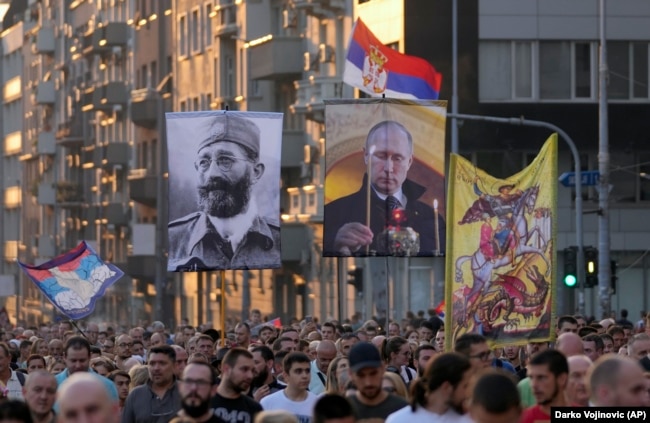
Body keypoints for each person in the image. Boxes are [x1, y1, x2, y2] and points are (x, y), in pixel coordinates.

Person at [168, 113, 281, 271]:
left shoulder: (278, 240)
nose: (212, 173)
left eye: (225, 160)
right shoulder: (173, 239)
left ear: (255, 172)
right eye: (204, 162)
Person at [323, 120, 445, 257]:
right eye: (381, 156)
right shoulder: (333, 214)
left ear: (409, 162)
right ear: (366, 156)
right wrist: (332, 243)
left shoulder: (431, 219)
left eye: (397, 158)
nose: (388, 168)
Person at [385, 352, 472, 423]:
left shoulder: (469, 419)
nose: (468, 392)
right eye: (465, 386)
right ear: (446, 387)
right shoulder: (400, 420)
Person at [346, 342, 408, 423]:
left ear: (382, 369)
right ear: (350, 374)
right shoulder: (342, 411)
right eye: (361, 375)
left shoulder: (402, 409)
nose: (368, 382)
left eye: (373, 373)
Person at [121, 345, 182, 423]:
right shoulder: (135, 396)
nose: (156, 368)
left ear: (174, 366)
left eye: (162, 363)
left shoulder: (186, 392)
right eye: (152, 363)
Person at [54, 336, 118, 402]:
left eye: (82, 360)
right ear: (64, 357)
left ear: (90, 357)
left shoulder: (107, 387)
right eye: (73, 361)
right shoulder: (52, 385)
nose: (78, 365)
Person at [260, 352, 319, 423]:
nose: (305, 376)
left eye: (307, 371)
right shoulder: (268, 402)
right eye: (298, 371)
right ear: (285, 375)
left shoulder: (318, 404)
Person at [211, 348, 263, 423]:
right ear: (226, 369)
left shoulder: (254, 408)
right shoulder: (203, 402)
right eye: (244, 369)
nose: (250, 376)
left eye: (252, 371)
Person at [519, 350, 568, 423]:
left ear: (562, 379)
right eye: (531, 378)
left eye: (541, 377)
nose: (534, 385)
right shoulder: (524, 419)